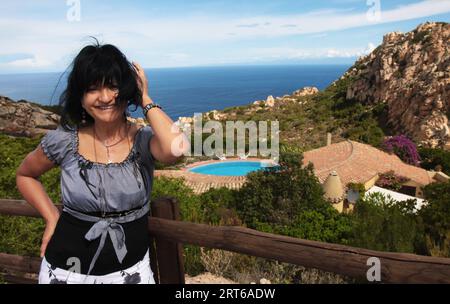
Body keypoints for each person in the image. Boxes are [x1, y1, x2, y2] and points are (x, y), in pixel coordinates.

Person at [15, 41, 189, 284]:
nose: (105, 97)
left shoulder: (142, 141)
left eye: (113, 86)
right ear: (81, 96)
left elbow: (177, 148)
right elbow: (25, 175)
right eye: (93, 88)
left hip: (131, 274)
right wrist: (51, 216)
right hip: (65, 273)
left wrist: (145, 98)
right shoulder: (64, 141)